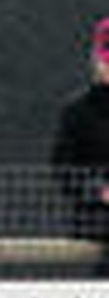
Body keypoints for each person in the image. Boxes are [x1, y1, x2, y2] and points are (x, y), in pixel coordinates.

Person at [51, 16, 109, 251]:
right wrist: (99, 191)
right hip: (96, 223)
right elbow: (63, 169)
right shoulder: (76, 112)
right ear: (96, 61)